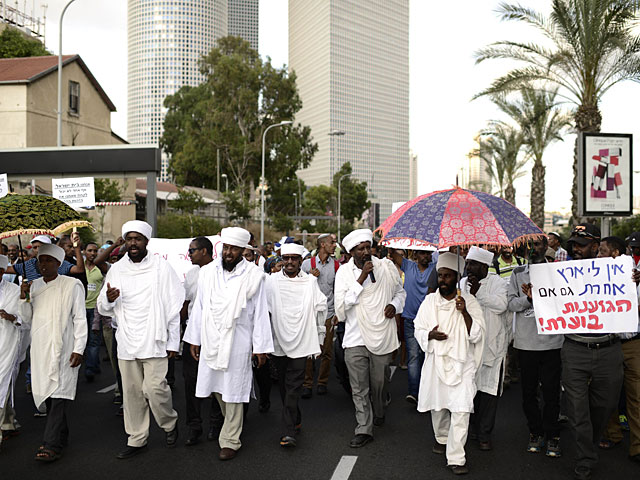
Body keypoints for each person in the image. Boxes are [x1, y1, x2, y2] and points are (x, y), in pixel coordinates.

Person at [183, 227, 273, 461]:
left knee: (234, 387)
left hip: (239, 338)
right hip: (211, 335)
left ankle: (231, 439)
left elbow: (261, 312)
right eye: (226, 248)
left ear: (244, 250)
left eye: (234, 249)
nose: (229, 253)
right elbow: (200, 307)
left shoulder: (254, 276)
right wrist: (194, 338)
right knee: (216, 387)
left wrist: (260, 346)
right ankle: (230, 427)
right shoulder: (208, 272)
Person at [97, 220, 184, 460]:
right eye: (129, 239)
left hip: (155, 340)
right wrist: (110, 299)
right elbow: (103, 307)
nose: (133, 243)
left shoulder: (161, 267)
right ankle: (137, 439)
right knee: (132, 393)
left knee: (155, 389)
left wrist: (173, 343)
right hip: (126, 340)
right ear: (124, 241)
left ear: (146, 241)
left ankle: (169, 423)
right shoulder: (117, 269)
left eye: (137, 239)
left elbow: (173, 307)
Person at [414, 252, 485, 475]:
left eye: (447, 276)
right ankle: (442, 437)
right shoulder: (429, 301)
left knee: (462, 409)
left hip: (462, 363)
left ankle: (456, 457)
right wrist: (430, 336)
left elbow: (477, 333)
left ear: (456, 277)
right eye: (441, 276)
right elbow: (418, 328)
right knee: (438, 406)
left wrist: (464, 312)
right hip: (436, 361)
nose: (443, 280)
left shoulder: (469, 301)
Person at [334, 229, 406, 448]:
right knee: (359, 387)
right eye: (360, 249)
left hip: (381, 335)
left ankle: (381, 405)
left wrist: (394, 305)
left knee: (379, 382)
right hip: (355, 338)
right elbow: (341, 309)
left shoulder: (386, 267)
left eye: (368, 247)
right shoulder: (344, 273)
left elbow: (400, 293)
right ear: (351, 252)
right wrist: (362, 278)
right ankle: (364, 428)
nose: (366, 252)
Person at [564, 224, 624, 480]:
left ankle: (591, 440)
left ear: (596, 246)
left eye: (582, 244)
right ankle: (585, 459)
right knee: (578, 411)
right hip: (575, 350)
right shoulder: (560, 273)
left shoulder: (619, 272)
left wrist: (634, 283)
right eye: (573, 245)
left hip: (609, 350)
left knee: (605, 406)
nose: (576, 249)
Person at [18, 244, 87, 462]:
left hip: (65, 348)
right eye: (41, 260)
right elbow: (27, 318)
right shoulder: (34, 286)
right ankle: (61, 435)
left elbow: (79, 319)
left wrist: (79, 348)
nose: (44, 264)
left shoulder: (72, 284)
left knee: (59, 395)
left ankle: (51, 444)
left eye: (48, 260)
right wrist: (24, 297)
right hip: (40, 348)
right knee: (48, 395)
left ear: (59, 263)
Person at [507, 235, 563, 458]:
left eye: (538, 244)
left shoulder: (557, 273)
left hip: (552, 342)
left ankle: (552, 434)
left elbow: (567, 302)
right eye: (529, 245)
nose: (533, 249)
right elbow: (511, 304)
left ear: (546, 247)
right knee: (528, 393)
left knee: (551, 392)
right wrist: (528, 299)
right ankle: (535, 432)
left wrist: (544, 296)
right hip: (526, 344)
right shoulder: (517, 273)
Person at [267, 243, 327, 447]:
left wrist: (319, 337)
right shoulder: (272, 281)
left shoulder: (310, 282)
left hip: (303, 339)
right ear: (281, 260)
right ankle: (296, 418)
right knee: (284, 386)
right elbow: (263, 312)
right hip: (278, 341)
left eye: (294, 258)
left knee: (293, 386)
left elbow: (321, 309)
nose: (290, 262)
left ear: (301, 261)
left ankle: (288, 431)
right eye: (287, 258)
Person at [461, 246, 509, 451]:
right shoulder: (462, 283)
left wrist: (478, 291)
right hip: (469, 345)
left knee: (488, 392)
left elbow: (501, 306)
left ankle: (484, 434)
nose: (468, 268)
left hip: (492, 346)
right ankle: (471, 430)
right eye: (467, 263)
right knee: (469, 391)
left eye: (473, 264)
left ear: (484, 266)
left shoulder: (498, 282)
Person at [598, 236, 640, 465]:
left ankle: (637, 446)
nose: (598, 256)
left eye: (602, 251)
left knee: (636, 396)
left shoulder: (633, 274)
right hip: (609, 343)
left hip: (633, 343)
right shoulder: (593, 276)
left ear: (615, 254)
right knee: (608, 394)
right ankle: (612, 434)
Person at [181, 236, 222, 446]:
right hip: (193, 333)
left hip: (215, 334)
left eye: (192, 251)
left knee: (215, 379)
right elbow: (186, 303)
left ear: (204, 251)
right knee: (190, 381)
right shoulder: (191, 274)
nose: (189, 255)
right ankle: (194, 426)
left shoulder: (220, 270)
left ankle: (216, 423)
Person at [389, 246, 438, 404]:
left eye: (428, 253)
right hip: (410, 319)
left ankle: (426, 391)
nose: (426, 256)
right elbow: (392, 253)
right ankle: (414, 392)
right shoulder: (408, 265)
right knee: (414, 356)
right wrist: (390, 239)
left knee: (427, 357)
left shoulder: (436, 269)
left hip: (429, 321)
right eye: (423, 253)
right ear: (415, 254)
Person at [301, 233, 338, 398]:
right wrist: (310, 278)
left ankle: (322, 382)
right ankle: (307, 383)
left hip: (329, 313)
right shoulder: (307, 264)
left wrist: (337, 312)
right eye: (332, 243)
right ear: (322, 244)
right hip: (311, 313)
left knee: (327, 350)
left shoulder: (337, 266)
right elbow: (299, 288)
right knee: (309, 349)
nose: (335, 245)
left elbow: (338, 291)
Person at [0, 255, 22, 450]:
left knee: (3, 383)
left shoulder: (13, 290)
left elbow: (22, 317)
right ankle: (8, 422)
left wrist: (10, 316)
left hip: (7, 343)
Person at [6, 234, 85, 281]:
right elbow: (4, 269)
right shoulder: (28, 264)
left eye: (40, 247)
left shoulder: (58, 264)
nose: (37, 250)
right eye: (34, 247)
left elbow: (79, 269)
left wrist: (77, 247)